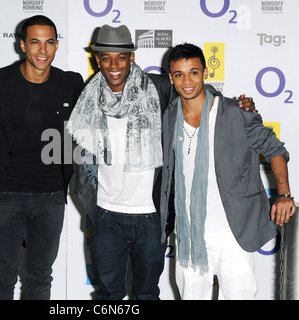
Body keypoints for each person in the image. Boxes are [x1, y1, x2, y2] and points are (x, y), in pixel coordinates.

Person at [67, 25, 256, 300]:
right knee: (108, 295)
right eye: (106, 58)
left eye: (121, 57)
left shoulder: (158, 88)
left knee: (146, 294)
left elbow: (195, 90)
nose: (114, 65)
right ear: (97, 60)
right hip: (106, 214)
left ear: (132, 58)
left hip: (151, 216)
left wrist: (236, 105)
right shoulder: (88, 98)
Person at [159, 43, 296, 299]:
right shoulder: (168, 119)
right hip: (189, 235)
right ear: (171, 78)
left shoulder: (234, 112)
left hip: (234, 234)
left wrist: (284, 194)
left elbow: (275, 149)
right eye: (179, 74)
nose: (187, 81)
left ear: (205, 73)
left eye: (193, 72)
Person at [0, 15, 84, 300]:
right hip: (5, 194)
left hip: (50, 196)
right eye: (35, 42)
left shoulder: (70, 84)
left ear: (57, 45)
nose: (42, 50)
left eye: (49, 42)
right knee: (1, 278)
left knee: (39, 278)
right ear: (22, 45)